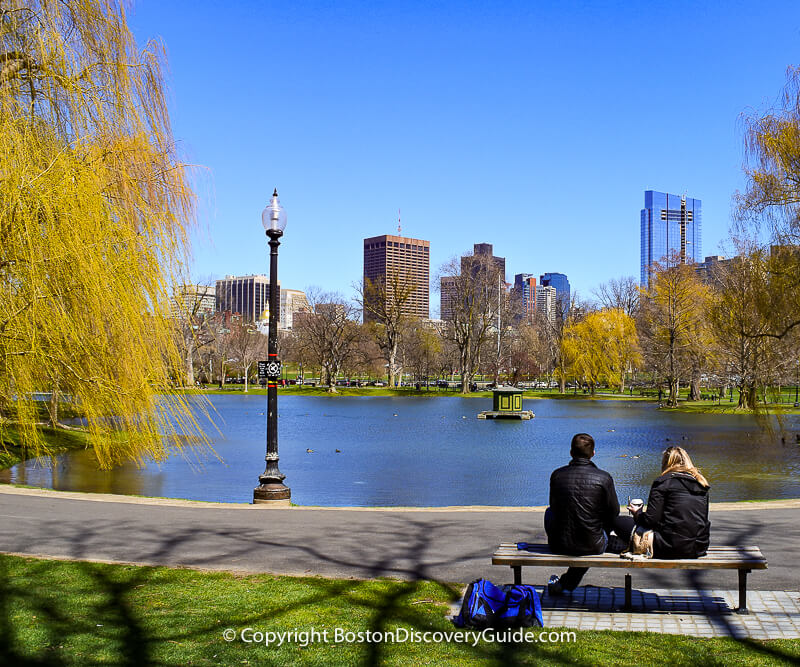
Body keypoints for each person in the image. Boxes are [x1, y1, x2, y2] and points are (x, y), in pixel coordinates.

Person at [545, 433, 634, 595]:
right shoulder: (603, 478)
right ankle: (565, 583)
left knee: (549, 512)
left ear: (571, 452)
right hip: (592, 542)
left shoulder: (557, 475)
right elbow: (614, 512)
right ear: (593, 453)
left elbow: (554, 506)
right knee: (598, 528)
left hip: (559, 543)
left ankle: (565, 584)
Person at [627, 446, 710, 558]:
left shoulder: (662, 483)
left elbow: (651, 520)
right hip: (699, 547)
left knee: (618, 522)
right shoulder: (701, 484)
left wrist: (637, 514)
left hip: (670, 546)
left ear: (666, 463)